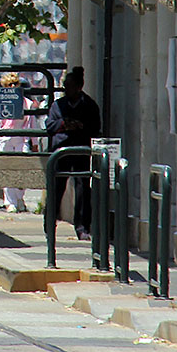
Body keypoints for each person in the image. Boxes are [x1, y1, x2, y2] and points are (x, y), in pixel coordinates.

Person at [45, 67, 101, 240]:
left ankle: (83, 226)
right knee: (57, 187)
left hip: (80, 149)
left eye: (69, 86)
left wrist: (80, 126)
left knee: (83, 187)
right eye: (64, 86)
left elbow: (95, 127)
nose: (66, 89)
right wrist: (64, 124)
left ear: (78, 87)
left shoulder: (89, 105)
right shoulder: (58, 105)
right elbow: (49, 126)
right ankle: (49, 223)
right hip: (61, 151)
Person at [0, 72, 34, 213]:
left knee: (22, 169)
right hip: (5, 136)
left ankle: (20, 198)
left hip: (21, 136)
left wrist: (33, 140)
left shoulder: (27, 102)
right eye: (10, 85)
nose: (13, 87)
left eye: (15, 84)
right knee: (6, 169)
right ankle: (10, 202)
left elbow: (31, 123)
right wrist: (0, 130)